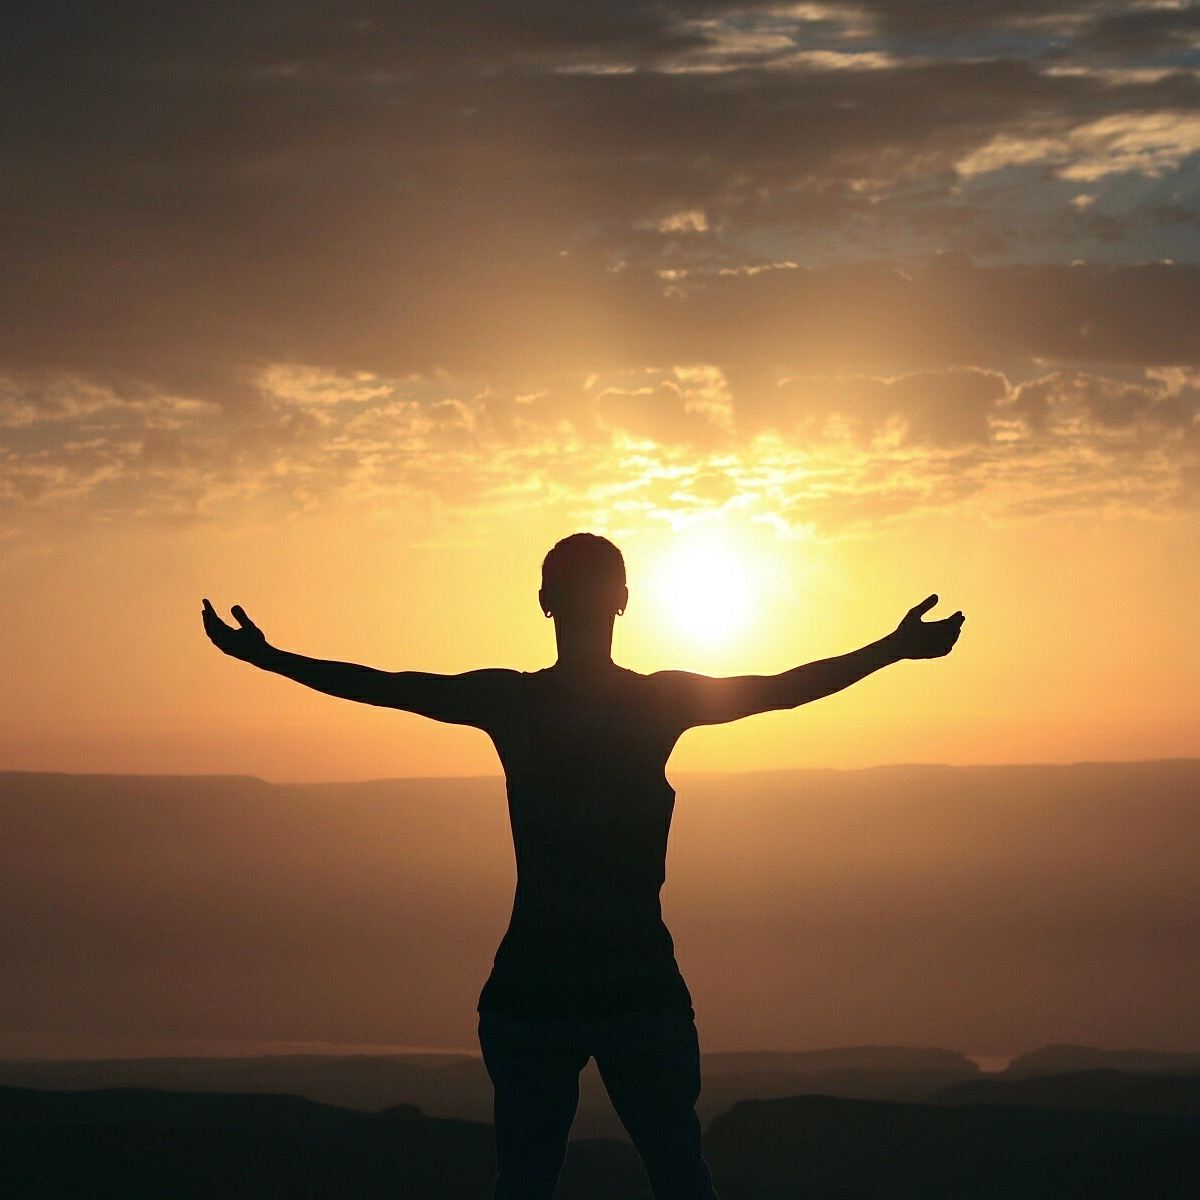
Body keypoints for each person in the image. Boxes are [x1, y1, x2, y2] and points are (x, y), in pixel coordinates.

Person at [202, 531, 964, 1199]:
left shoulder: (517, 703)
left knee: (533, 1182)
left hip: (541, 983)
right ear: (623, 601)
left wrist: (266, 658)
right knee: (677, 1176)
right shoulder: (655, 704)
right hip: (631, 984)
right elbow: (781, 692)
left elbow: (386, 688)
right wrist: (890, 649)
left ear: (544, 601)